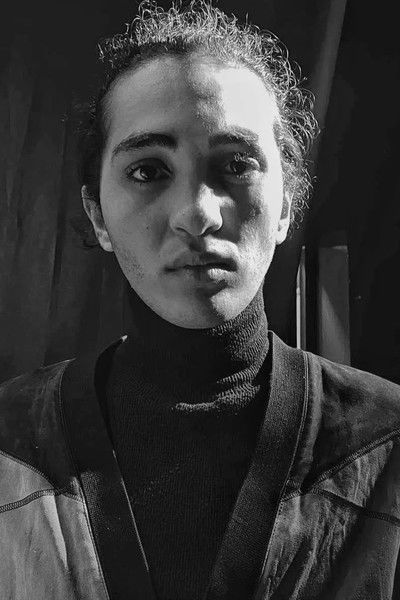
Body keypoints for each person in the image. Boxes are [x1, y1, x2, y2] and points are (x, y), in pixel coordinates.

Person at [1, 2, 400, 599]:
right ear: (97, 214)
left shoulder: (388, 444)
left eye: (237, 164)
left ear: (286, 205)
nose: (197, 212)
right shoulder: (8, 443)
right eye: (147, 171)